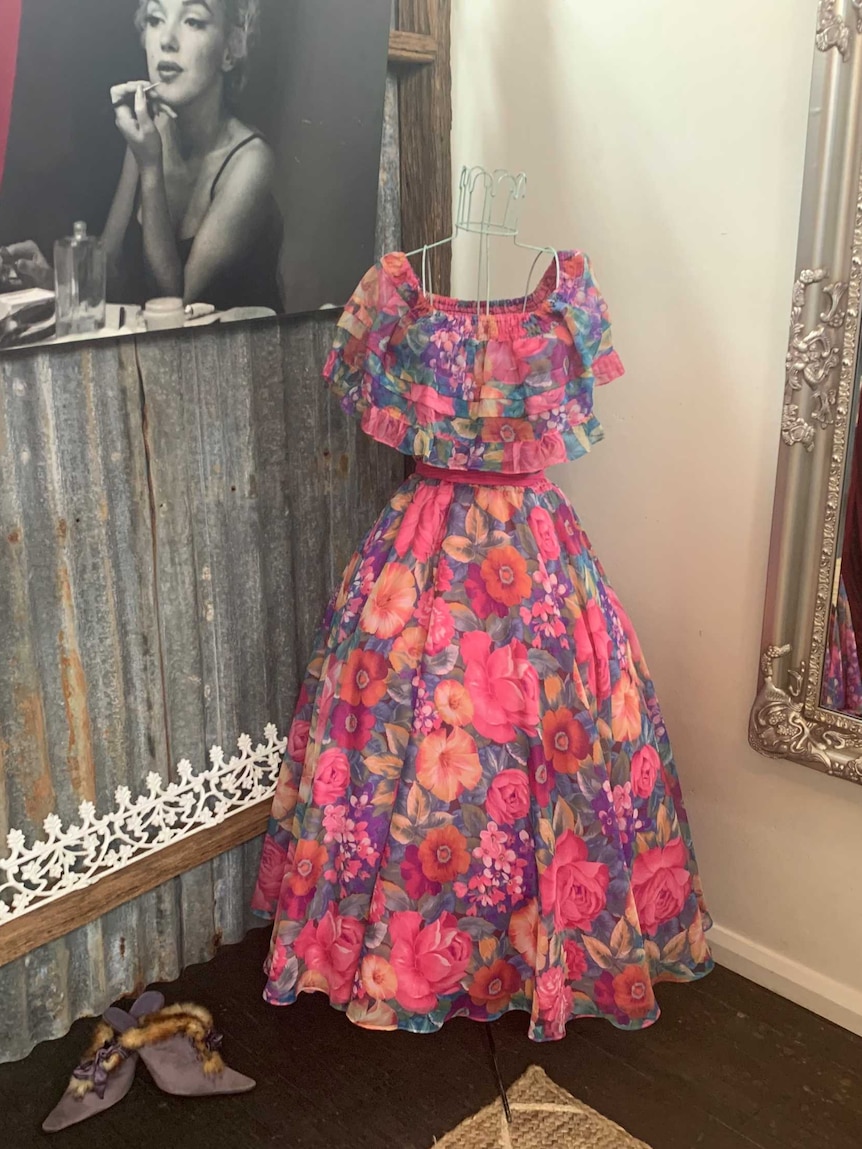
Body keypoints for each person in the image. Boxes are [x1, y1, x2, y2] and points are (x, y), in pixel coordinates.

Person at [5, 0, 282, 312]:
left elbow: (176, 307)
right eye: (155, 19)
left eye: (192, 21)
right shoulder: (150, 131)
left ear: (231, 49)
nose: (167, 40)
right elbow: (109, 269)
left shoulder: (251, 162)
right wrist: (52, 281)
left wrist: (151, 167)